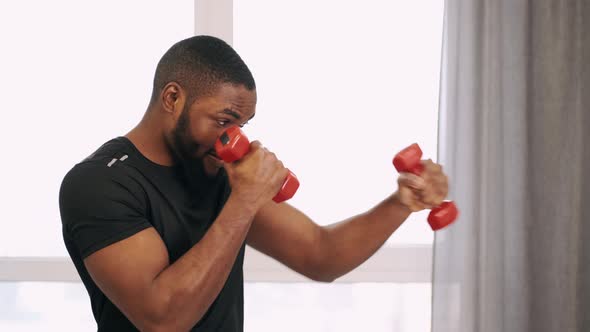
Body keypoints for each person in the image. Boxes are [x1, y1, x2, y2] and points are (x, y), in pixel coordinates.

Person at [59, 35, 449, 332]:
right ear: (173, 98)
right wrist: (245, 199)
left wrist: (401, 203)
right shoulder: (99, 184)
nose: (233, 138)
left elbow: (321, 254)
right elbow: (163, 319)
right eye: (223, 121)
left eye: (242, 125)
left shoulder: (217, 174)